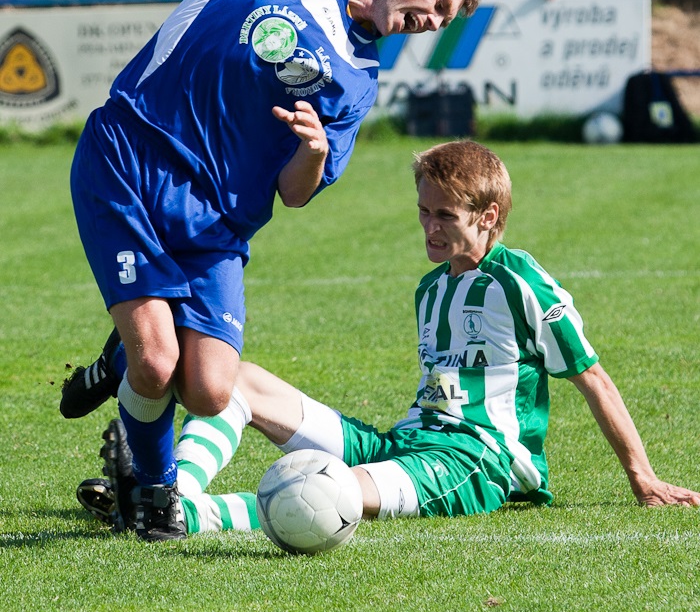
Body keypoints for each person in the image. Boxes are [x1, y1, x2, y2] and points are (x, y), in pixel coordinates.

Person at [63, 0, 483, 542]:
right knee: (158, 361)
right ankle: (154, 493)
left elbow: (293, 192)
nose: (426, 21)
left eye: (439, 22)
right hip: (134, 153)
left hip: (220, 221)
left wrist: (314, 152)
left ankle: (120, 358)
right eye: (435, 2)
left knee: (210, 388)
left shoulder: (358, 80)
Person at [77, 139, 699, 538]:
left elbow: (592, 376)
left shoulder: (522, 283)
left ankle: (190, 517)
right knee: (236, 380)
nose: (429, 227)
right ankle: (165, 492)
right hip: (405, 441)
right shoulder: (431, 290)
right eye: (424, 212)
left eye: (445, 216)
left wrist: (642, 478)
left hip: (477, 462)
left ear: (490, 218)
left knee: (328, 493)